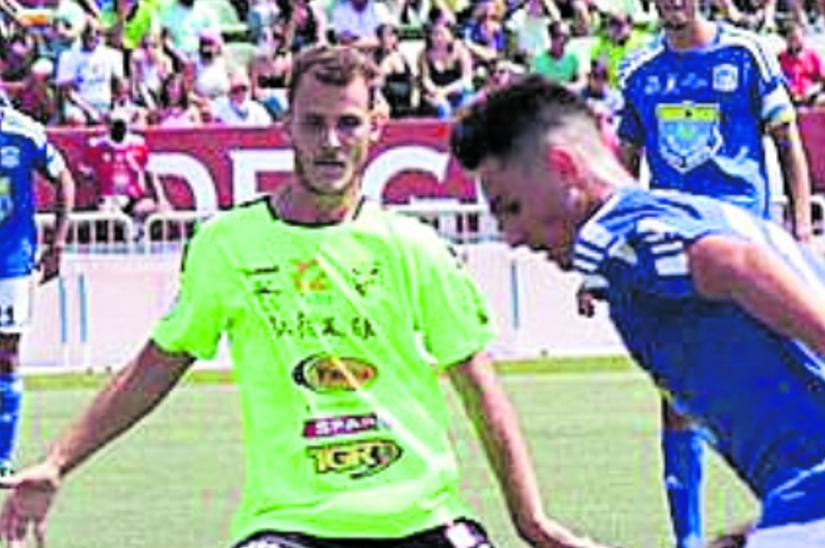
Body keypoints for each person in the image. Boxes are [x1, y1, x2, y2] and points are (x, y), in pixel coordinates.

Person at [0, 46, 599, 548]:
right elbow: (158, 363)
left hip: (422, 520)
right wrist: (56, 463)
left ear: (375, 127)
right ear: (285, 126)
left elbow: (479, 388)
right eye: (313, 123)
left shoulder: (416, 248)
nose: (331, 142)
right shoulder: (227, 244)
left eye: (347, 123)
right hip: (288, 527)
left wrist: (530, 519)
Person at [453, 76, 825, 548]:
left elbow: (726, 262)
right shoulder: (728, 220)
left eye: (511, 208)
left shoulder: (616, 237)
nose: (512, 237)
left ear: (564, 167)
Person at [613, 1, 815, 545]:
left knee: (774, 378)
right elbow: (624, 170)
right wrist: (610, 246)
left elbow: (787, 143)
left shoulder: (745, 53)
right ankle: (689, 538)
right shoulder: (638, 71)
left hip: (743, 242)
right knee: (676, 395)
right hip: (672, 246)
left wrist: (802, 226)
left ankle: (798, 521)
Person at [0, 105, 74, 479]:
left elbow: (64, 180)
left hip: (10, 263)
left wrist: (57, 245)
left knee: (7, 355)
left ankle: (1, 457)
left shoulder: (23, 132)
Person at [82, 109, 169, 238]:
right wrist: (99, 198)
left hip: (134, 198)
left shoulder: (138, 144)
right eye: (115, 124)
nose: (118, 129)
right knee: (105, 215)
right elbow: (87, 176)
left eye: (121, 125)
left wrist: (161, 199)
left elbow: (150, 173)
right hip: (109, 198)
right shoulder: (97, 146)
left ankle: (140, 233)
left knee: (156, 209)